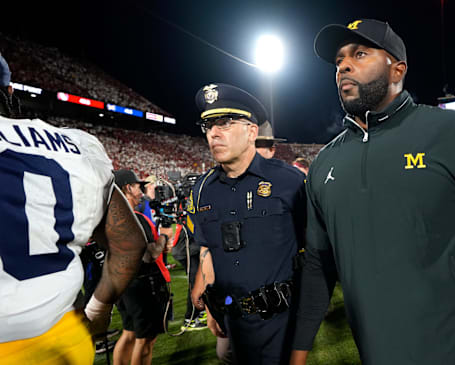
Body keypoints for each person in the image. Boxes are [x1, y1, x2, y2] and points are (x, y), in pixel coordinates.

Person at [290, 18, 455, 365]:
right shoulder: (323, 164)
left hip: (454, 353)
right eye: (339, 61)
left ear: (397, 70)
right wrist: (299, 352)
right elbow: (319, 265)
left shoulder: (452, 130)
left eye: (360, 54)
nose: (344, 65)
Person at [0, 52, 146, 364]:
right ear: (9, 92)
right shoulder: (79, 145)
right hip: (63, 339)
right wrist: (98, 309)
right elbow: (130, 243)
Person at [189, 83, 306, 365]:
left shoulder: (290, 182)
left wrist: (303, 335)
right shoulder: (202, 189)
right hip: (232, 321)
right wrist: (210, 307)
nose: (214, 133)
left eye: (225, 123)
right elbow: (208, 249)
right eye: (208, 125)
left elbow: (315, 255)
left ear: (252, 131)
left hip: (281, 324)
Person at [112, 169, 174, 365]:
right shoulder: (133, 217)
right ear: (128, 188)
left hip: (122, 283)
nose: (142, 192)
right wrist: (164, 235)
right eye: (139, 187)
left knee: (129, 334)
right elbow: (149, 255)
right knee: (145, 340)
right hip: (140, 285)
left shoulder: (113, 214)